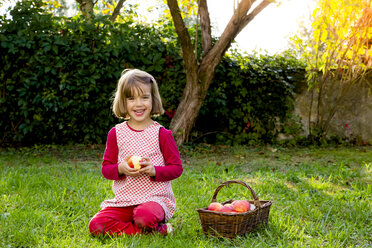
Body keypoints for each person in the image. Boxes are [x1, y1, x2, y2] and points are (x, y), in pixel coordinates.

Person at [89, 69, 183, 237]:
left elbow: (176, 168)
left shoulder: (162, 134)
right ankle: (155, 231)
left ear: (153, 100)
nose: (138, 104)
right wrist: (121, 168)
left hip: (154, 201)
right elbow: (106, 169)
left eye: (144, 97)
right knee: (96, 225)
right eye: (131, 98)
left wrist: (155, 170)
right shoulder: (116, 133)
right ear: (123, 102)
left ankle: (145, 225)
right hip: (124, 202)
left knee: (144, 217)